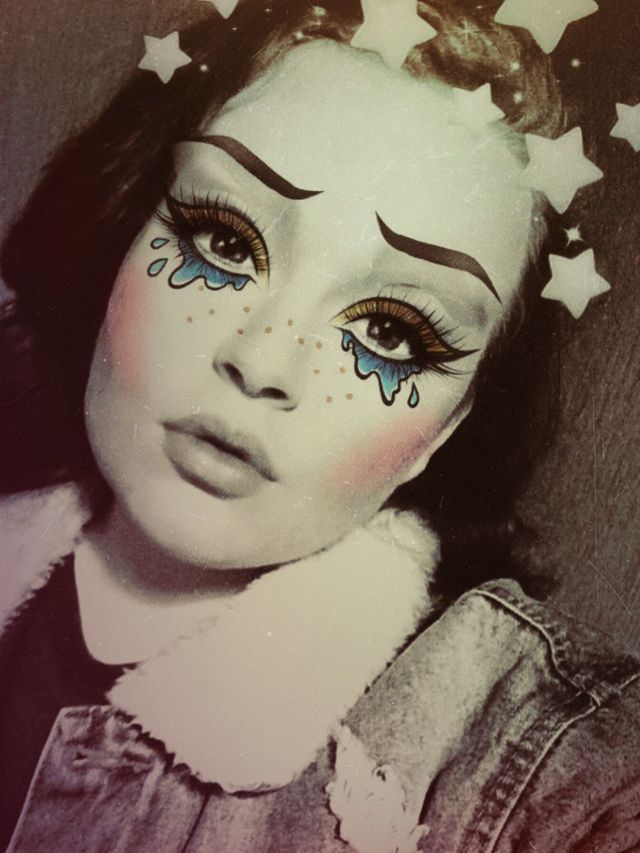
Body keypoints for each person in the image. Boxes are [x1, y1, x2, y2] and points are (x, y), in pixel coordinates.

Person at [0, 1, 638, 850]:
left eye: (390, 334)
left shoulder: (564, 770)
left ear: (447, 429)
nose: (263, 360)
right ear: (121, 231)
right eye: (224, 242)